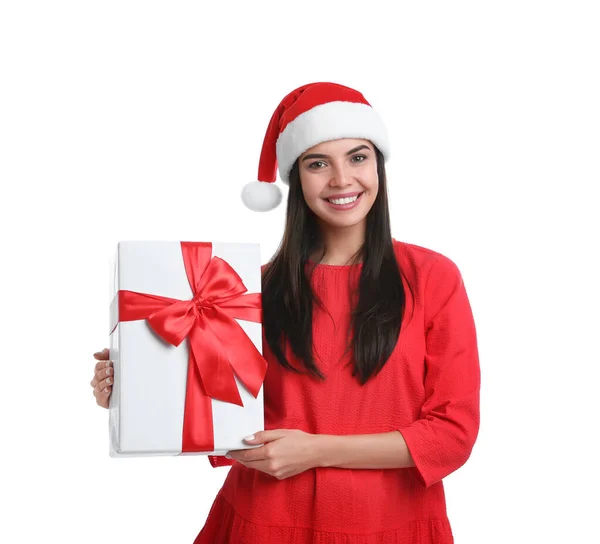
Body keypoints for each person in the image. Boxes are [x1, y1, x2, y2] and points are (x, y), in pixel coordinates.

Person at [91, 82, 481, 543]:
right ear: (296, 179)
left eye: (358, 157)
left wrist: (314, 451)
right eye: (318, 163)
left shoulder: (433, 277)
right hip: (266, 523)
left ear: (379, 164)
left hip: (391, 526)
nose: (341, 180)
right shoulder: (246, 290)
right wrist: (132, 389)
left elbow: (451, 436)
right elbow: (219, 421)